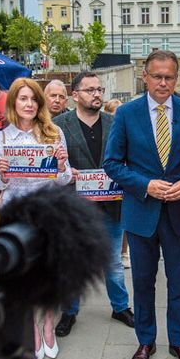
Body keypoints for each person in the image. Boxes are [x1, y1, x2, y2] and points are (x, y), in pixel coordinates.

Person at [103, 50, 180, 359]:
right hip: (141, 212)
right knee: (145, 281)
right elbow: (112, 163)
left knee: (179, 282)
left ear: (177, 78)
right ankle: (145, 340)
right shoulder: (127, 114)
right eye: (157, 76)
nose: (163, 83)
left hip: (178, 213)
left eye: (169, 77)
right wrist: (144, 185)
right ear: (145, 76)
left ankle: (179, 341)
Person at [0, 78, 73, 359]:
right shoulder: (1, 138)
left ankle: (48, 324)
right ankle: (32, 331)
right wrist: (3, 174)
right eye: (23, 99)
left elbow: (65, 179)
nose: (29, 104)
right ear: (13, 103)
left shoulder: (54, 133)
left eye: (33, 99)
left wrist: (60, 165)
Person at [53, 72, 135, 339]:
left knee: (112, 261)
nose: (97, 94)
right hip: (75, 207)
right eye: (90, 90)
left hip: (111, 205)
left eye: (99, 89)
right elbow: (51, 166)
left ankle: (120, 307)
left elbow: (127, 157)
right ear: (75, 95)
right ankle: (69, 311)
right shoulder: (58, 125)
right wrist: (64, 170)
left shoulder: (116, 122)